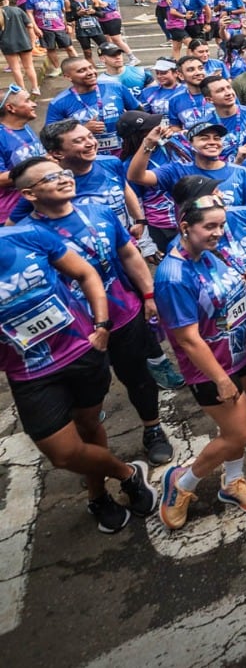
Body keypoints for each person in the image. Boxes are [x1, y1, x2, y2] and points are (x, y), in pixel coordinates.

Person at [0, 178, 155, 534]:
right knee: (63, 453)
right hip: (29, 371)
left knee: (89, 425)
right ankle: (127, 473)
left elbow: (87, 272)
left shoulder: (25, 236)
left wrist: (101, 324)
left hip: (78, 350)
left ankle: (98, 495)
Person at [14, 156, 171, 464]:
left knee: (138, 376)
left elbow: (128, 255)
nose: (63, 179)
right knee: (82, 402)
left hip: (123, 314)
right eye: (49, 178)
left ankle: (153, 428)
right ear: (30, 194)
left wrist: (149, 295)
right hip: (73, 334)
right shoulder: (23, 236)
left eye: (63, 174)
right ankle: (96, 458)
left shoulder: (98, 212)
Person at [153, 193, 246, 528]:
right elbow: (188, 339)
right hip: (214, 369)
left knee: (234, 428)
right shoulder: (173, 276)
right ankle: (182, 483)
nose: (218, 232)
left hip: (243, 352)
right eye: (209, 227)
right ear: (184, 226)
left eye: (221, 224)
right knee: (240, 432)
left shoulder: (210, 250)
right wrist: (219, 378)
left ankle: (233, 481)